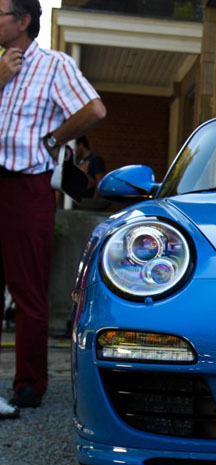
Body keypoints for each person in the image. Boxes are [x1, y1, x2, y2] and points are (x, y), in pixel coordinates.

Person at [0, 0, 106, 410]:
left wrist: (52, 140)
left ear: (23, 20)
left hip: (26, 187)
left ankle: (29, 384)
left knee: (27, 289)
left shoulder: (53, 64)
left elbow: (94, 109)